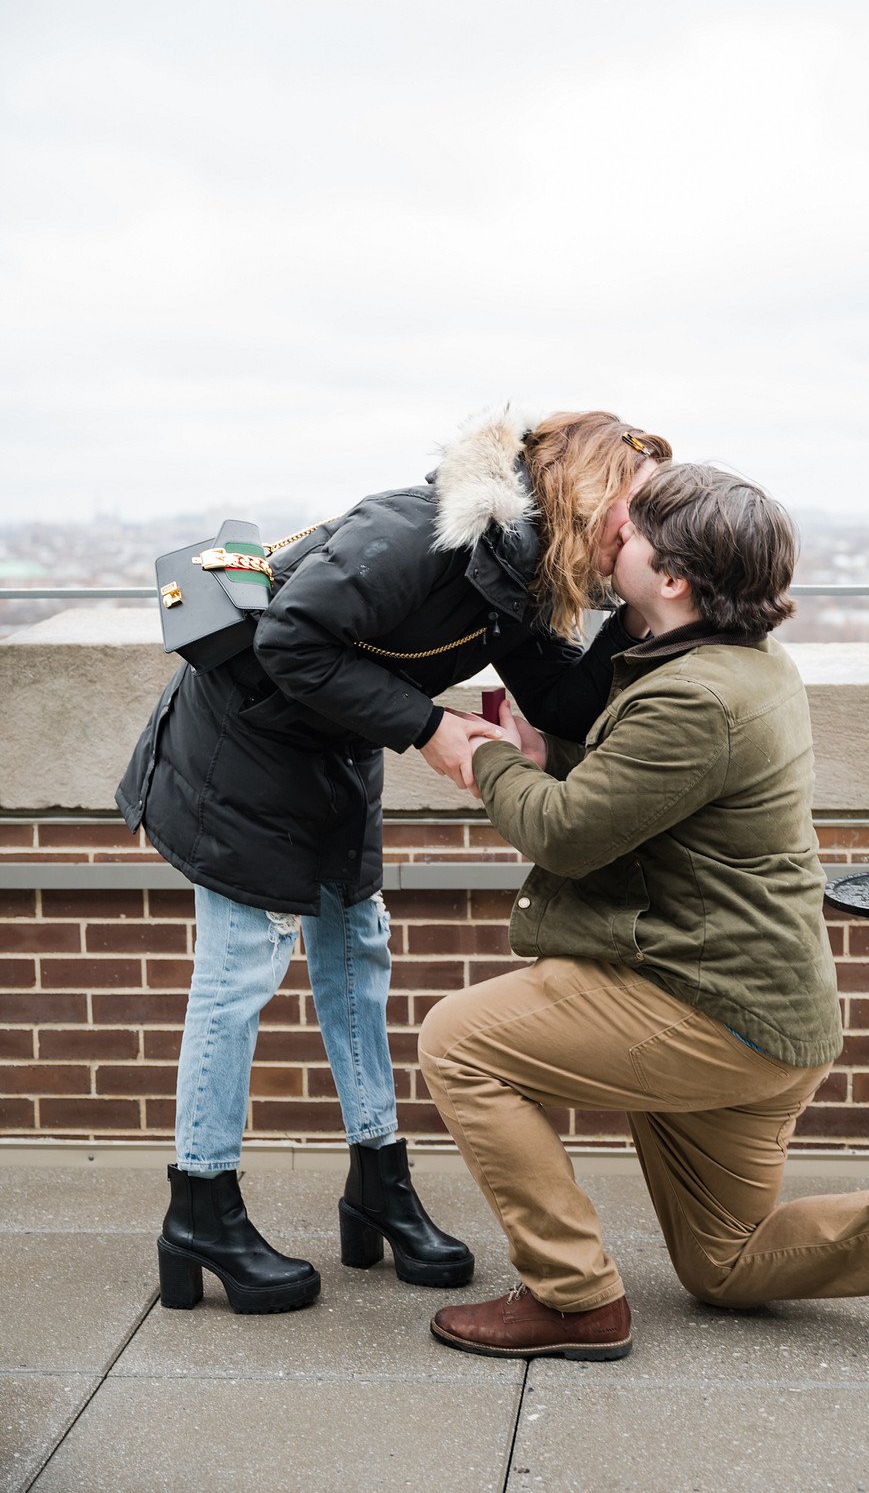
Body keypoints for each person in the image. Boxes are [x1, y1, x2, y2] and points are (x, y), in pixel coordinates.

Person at [418, 462, 869, 1363]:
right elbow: (632, 788)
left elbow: (564, 834)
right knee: (726, 1262)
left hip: (707, 1011)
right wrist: (546, 746)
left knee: (458, 1041)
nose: (609, 537)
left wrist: (482, 759)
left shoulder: (695, 695)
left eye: (628, 533)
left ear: (672, 579)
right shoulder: (737, 664)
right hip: (771, 1016)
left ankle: (573, 1297)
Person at [116, 409, 671, 1315]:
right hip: (241, 752)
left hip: (332, 749)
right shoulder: (415, 533)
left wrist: (647, 615)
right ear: (590, 490)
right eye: (638, 509)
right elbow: (285, 639)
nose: (646, 528)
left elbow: (564, 699)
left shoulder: (523, 573)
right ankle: (201, 1208)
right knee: (239, 973)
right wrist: (427, 725)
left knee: (356, 960)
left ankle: (379, 1186)